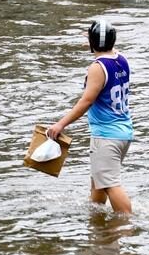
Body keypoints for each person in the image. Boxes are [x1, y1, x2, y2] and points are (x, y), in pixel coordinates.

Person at [48, 20, 134, 214]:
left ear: (93, 43)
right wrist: (94, 41)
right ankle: (96, 225)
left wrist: (60, 125)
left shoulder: (97, 67)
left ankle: (128, 224)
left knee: (111, 184)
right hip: (123, 132)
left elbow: (86, 102)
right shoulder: (122, 59)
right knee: (99, 183)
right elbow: (108, 48)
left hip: (106, 136)